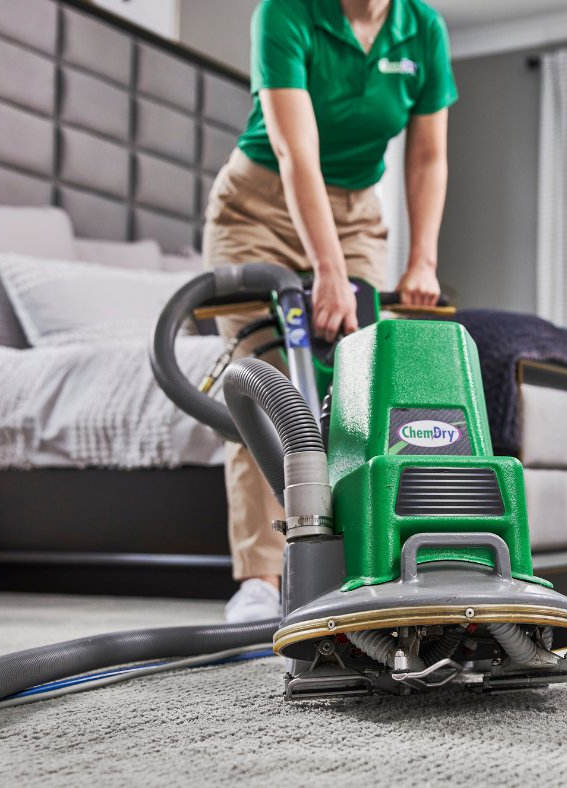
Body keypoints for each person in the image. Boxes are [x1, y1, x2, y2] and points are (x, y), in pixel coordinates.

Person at [202, 0, 457, 622]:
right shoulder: (284, 14)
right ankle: (263, 580)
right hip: (259, 207)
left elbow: (427, 156)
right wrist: (330, 274)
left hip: (356, 213)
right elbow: (296, 153)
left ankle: (370, 561)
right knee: (265, 378)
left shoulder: (421, 27)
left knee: (363, 388)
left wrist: (421, 260)